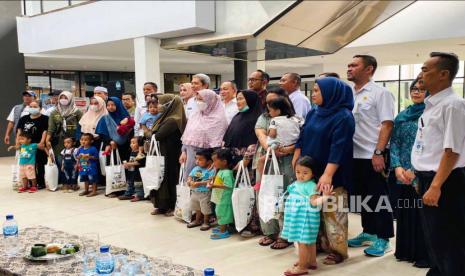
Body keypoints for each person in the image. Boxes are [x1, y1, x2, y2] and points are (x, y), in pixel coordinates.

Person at [411, 52, 465, 276]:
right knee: (433, 236)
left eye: (426, 70)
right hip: (429, 178)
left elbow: (452, 150)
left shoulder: (453, 105)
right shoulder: (432, 104)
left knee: (449, 239)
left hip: (445, 181)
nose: (421, 74)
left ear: (444, 74)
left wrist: (435, 185)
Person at [292, 77, 355, 265]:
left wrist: (328, 174)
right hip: (310, 170)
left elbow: (339, 147)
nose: (313, 93)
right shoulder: (314, 112)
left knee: (333, 211)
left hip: (333, 171)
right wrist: (297, 156)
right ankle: (317, 244)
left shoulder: (343, 116)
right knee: (312, 210)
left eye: (318, 90)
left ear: (331, 93)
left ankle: (338, 251)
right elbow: (302, 136)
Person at [347, 54, 395, 257]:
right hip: (353, 155)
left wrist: (378, 152)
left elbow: (387, 124)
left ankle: (384, 239)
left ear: (369, 69)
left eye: (354, 65)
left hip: (371, 154)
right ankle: (368, 232)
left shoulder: (380, 93)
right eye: (349, 65)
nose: (349, 68)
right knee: (359, 197)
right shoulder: (349, 94)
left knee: (378, 198)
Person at [389, 78, 429, 268]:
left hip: (422, 171)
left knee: (422, 214)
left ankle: (423, 254)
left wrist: (415, 169)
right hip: (402, 172)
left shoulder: (431, 114)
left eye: (421, 90)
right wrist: (397, 166)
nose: (416, 92)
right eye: (414, 89)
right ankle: (405, 251)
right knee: (405, 211)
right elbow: (395, 142)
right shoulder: (402, 115)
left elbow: (430, 145)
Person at [254, 88, 296, 244]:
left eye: (273, 102)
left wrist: (285, 149)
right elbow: (261, 135)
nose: (268, 106)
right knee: (267, 195)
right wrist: (272, 150)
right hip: (268, 159)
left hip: (288, 162)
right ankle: (270, 232)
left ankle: (286, 235)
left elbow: (300, 138)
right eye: (267, 103)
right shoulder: (264, 117)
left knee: (286, 197)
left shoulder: (294, 118)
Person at [281, 156, 333, 276]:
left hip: (305, 219)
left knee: (302, 241)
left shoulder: (310, 185)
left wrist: (325, 197)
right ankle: (311, 261)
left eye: (305, 173)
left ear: (312, 173)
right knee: (309, 241)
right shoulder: (297, 183)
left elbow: (314, 202)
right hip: (298, 218)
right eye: (298, 172)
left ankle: (302, 266)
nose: (301, 175)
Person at [179, 89, 228, 181]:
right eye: (197, 99)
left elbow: (218, 143)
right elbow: (187, 135)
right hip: (190, 157)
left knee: (203, 185)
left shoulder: (219, 119)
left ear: (210, 100)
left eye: (201, 100)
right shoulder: (195, 115)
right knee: (190, 182)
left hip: (207, 161)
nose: (198, 102)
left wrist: (215, 161)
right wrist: (183, 151)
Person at [150, 94, 187, 216]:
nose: (158, 106)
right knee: (160, 178)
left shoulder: (173, 120)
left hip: (170, 154)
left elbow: (158, 135)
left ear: (169, 105)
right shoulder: (165, 117)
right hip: (162, 153)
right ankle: (160, 206)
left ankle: (171, 205)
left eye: (160, 103)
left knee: (169, 179)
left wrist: (148, 132)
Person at [223, 90, 262, 168]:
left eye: (241, 99)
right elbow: (227, 138)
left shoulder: (257, 118)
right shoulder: (237, 116)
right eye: (237, 99)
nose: (238, 102)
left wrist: (245, 162)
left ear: (250, 100)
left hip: (247, 163)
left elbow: (254, 142)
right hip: (232, 160)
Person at [16, 99, 49, 189]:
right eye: (31, 106)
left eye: (35, 107)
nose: (32, 108)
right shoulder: (24, 118)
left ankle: (41, 183)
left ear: (40, 108)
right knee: (28, 164)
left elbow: (45, 131)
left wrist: (42, 142)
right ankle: (30, 184)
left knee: (40, 164)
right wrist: (18, 142)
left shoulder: (45, 118)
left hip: (38, 145)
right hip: (26, 146)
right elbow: (19, 131)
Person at [46, 91, 83, 168]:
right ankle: (62, 179)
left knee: (73, 160)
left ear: (70, 99)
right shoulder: (54, 112)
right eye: (61, 98)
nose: (63, 99)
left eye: (65, 98)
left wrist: (81, 139)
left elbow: (82, 126)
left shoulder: (77, 112)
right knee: (60, 160)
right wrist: (47, 139)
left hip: (74, 140)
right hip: (58, 141)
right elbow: (51, 128)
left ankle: (73, 179)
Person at [207, 148, 235, 240]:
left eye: (215, 160)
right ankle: (223, 227)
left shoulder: (227, 173)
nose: (213, 163)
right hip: (220, 197)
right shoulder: (221, 171)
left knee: (222, 213)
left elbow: (228, 185)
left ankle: (224, 232)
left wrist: (214, 186)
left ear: (224, 162)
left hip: (224, 198)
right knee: (219, 212)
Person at [186, 149, 215, 230]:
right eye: (196, 159)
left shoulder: (211, 170)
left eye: (200, 159)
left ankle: (206, 222)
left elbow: (210, 181)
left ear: (209, 161)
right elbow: (190, 176)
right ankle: (197, 220)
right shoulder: (196, 168)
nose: (197, 161)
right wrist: (189, 181)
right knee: (197, 208)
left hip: (205, 193)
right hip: (194, 192)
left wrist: (198, 183)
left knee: (205, 208)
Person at [118, 136, 146, 202]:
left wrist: (129, 164)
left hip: (137, 172)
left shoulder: (140, 153)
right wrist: (126, 164)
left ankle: (140, 195)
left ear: (139, 144)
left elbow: (139, 162)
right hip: (131, 171)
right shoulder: (131, 151)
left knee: (138, 185)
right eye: (131, 143)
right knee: (130, 183)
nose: (131, 144)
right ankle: (128, 194)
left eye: (133, 143)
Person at [77, 133, 99, 197]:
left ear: (91, 141)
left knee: (92, 179)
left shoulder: (93, 148)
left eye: (86, 140)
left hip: (91, 167)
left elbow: (96, 157)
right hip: (83, 166)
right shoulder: (80, 149)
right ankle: (86, 190)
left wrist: (89, 157)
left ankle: (94, 191)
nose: (83, 141)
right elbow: (77, 157)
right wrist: (79, 157)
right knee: (85, 178)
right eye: (82, 139)